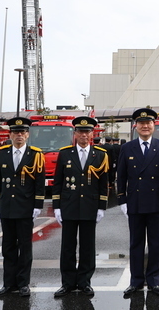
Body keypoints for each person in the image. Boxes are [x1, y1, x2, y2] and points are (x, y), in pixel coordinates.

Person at [117, 108, 159, 298]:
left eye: (148, 123)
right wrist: (122, 199)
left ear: (154, 125)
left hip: (156, 201)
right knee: (136, 243)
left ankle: (154, 281)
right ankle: (136, 281)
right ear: (136, 126)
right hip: (134, 201)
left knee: (156, 243)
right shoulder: (127, 147)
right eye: (141, 123)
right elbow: (121, 176)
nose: (145, 126)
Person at [52, 116, 109, 298]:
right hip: (68, 205)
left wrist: (102, 206)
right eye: (80, 132)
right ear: (75, 133)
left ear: (92, 134)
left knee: (87, 246)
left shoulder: (100, 155)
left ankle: (84, 282)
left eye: (87, 132)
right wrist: (57, 206)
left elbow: (103, 183)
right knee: (67, 247)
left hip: (89, 206)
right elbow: (58, 182)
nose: (84, 135)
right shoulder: (65, 153)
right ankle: (67, 283)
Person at [0, 117, 46, 298]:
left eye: (22, 132)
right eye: (16, 132)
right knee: (8, 247)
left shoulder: (36, 155)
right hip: (7, 207)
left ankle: (23, 283)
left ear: (28, 135)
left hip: (25, 208)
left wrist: (38, 205)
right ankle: (8, 283)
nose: (19, 135)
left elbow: (39, 183)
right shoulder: (3, 153)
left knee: (24, 246)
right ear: (10, 135)